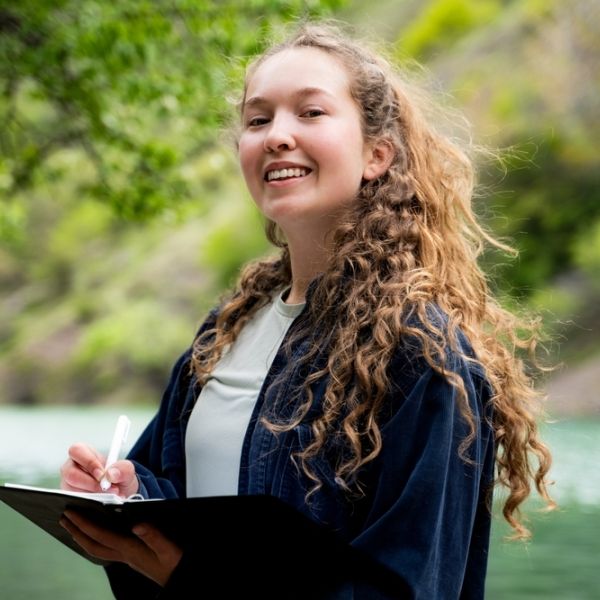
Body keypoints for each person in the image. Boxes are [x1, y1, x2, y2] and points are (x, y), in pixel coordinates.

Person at [59, 21, 555, 599]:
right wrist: (122, 492)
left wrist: (195, 579)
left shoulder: (421, 354)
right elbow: (177, 500)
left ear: (377, 155)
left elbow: (407, 587)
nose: (276, 136)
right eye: (258, 118)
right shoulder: (226, 331)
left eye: (311, 113)